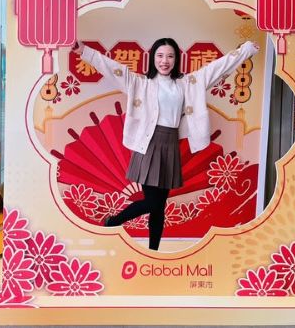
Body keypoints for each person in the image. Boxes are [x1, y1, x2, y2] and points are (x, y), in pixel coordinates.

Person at [72, 38, 260, 251]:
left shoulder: (187, 84)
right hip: (149, 143)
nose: (165, 61)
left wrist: (246, 50)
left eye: (170, 56)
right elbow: (112, 68)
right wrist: (84, 51)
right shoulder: (140, 83)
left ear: (176, 59)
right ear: (153, 58)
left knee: (159, 207)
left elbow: (217, 68)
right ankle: (113, 222)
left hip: (170, 144)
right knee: (152, 202)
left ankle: (153, 251)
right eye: (160, 56)